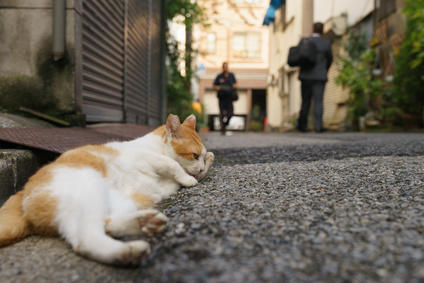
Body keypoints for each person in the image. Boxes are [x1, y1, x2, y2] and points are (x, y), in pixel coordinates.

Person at [297, 22, 333, 133]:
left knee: (305, 101)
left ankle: (302, 126)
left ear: (312, 29)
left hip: (306, 76)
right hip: (319, 76)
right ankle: (318, 126)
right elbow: (330, 59)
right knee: (318, 101)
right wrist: (324, 70)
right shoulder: (325, 43)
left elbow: (299, 57)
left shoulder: (305, 41)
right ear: (323, 30)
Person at [213, 62, 237, 135]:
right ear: (222, 67)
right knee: (222, 114)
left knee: (231, 113)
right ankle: (223, 129)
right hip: (222, 98)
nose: (225, 68)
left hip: (229, 98)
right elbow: (214, 86)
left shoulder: (231, 75)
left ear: (228, 67)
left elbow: (235, 85)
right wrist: (220, 87)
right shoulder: (219, 76)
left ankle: (225, 124)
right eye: (224, 67)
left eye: (226, 67)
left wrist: (233, 87)